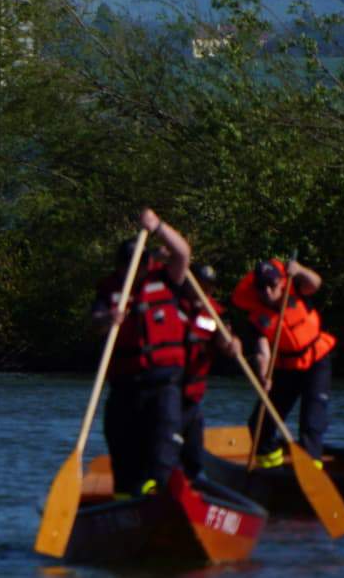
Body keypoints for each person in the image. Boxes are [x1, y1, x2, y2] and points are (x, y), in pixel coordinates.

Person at [92, 208, 190, 498]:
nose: (132, 273)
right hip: (125, 385)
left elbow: (182, 252)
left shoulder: (167, 279)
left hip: (163, 383)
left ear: (147, 264)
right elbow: (95, 323)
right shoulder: (109, 290)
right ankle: (125, 498)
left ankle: (158, 493)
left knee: (163, 444)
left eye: (136, 266)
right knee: (123, 448)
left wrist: (158, 227)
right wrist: (109, 318)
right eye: (126, 267)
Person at [232, 256, 335, 468]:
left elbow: (315, 283)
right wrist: (264, 376)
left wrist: (299, 270)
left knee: (312, 421)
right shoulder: (256, 318)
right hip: (286, 368)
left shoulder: (296, 289)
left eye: (271, 285)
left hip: (316, 361)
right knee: (259, 423)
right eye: (262, 287)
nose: (267, 291)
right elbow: (262, 352)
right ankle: (271, 467)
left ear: (280, 282)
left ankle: (312, 467)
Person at [177, 263, 238, 480]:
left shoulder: (214, 315)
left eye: (208, 288)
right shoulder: (172, 305)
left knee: (194, 455)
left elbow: (224, 339)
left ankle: (193, 484)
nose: (203, 292)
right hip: (166, 393)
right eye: (199, 286)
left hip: (192, 397)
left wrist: (231, 344)